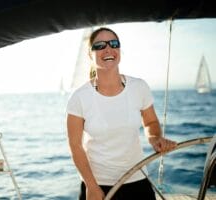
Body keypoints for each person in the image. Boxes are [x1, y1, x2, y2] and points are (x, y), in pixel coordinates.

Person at [66, 27, 177, 200]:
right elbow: (75, 145)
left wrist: (155, 138)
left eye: (113, 44)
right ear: (90, 54)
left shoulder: (139, 87)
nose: (108, 49)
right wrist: (91, 186)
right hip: (97, 184)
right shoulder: (79, 97)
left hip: (137, 178)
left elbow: (150, 123)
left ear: (119, 50)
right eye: (100, 45)